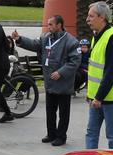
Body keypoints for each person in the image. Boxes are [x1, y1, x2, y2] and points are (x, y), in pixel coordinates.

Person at [13, 15, 81, 146]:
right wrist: (19, 39)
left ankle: (61, 137)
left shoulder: (71, 41)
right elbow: (34, 44)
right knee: (50, 110)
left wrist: (61, 72)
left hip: (63, 84)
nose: (48, 27)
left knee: (63, 113)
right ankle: (51, 134)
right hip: (50, 83)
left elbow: (75, 62)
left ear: (59, 25)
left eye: (51, 24)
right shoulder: (46, 38)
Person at [83, 1, 113, 148]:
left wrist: (99, 97)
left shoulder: (112, 38)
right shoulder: (97, 36)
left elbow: (110, 72)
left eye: (91, 16)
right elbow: (95, 69)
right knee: (91, 132)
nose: (87, 19)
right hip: (97, 97)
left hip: (110, 98)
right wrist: (91, 94)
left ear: (102, 17)